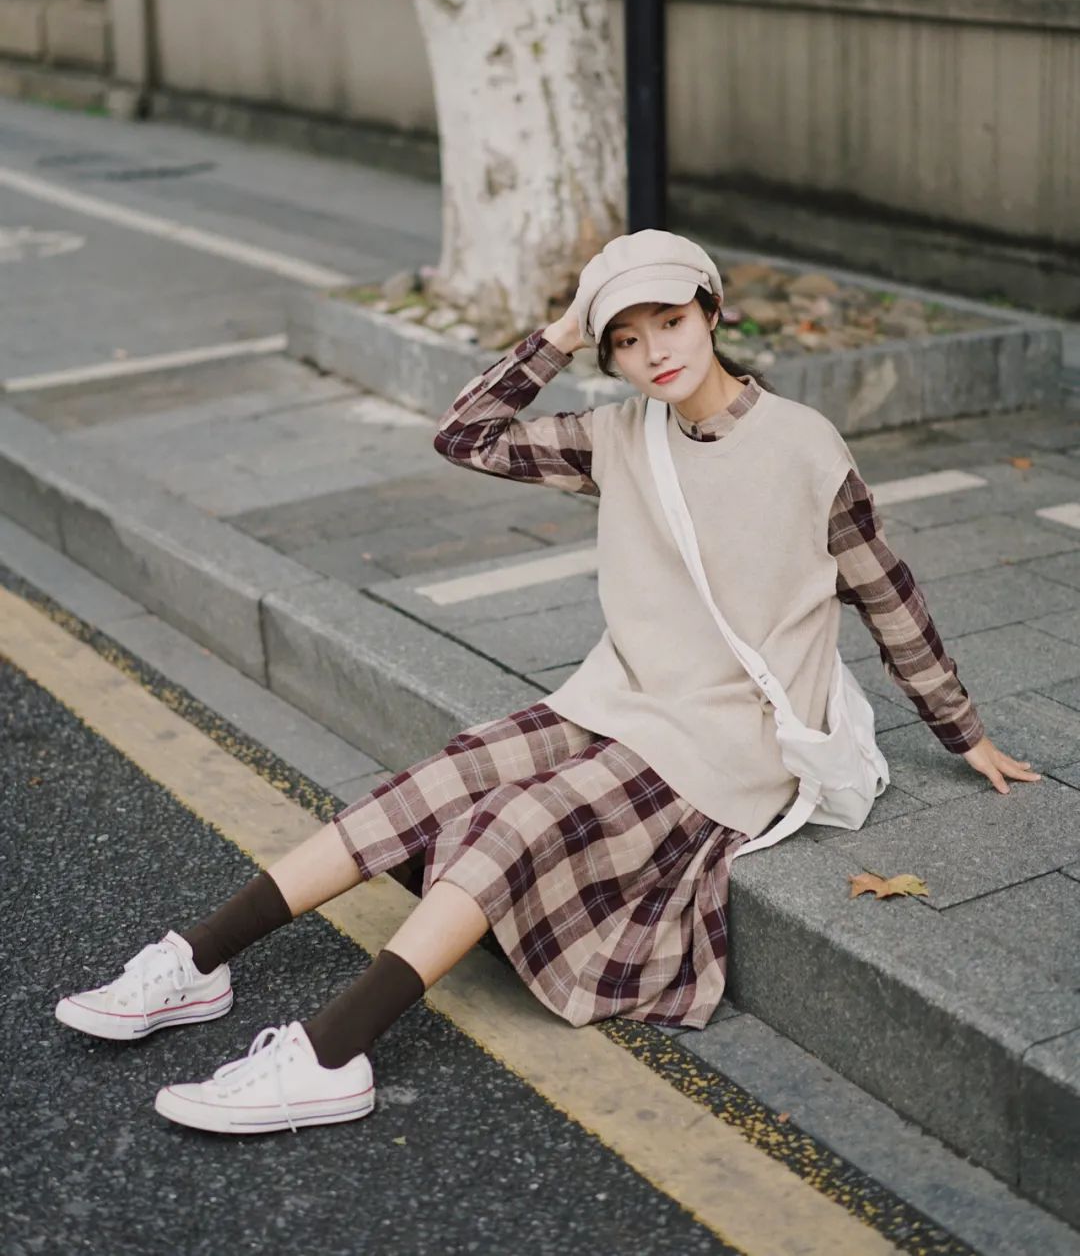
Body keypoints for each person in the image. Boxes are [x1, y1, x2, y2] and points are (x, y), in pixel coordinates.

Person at [54, 230, 1040, 1137]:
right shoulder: (619, 436)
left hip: (726, 743)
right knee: (437, 781)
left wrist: (962, 730)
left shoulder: (805, 444)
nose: (654, 351)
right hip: (615, 699)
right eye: (626, 339)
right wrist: (565, 328)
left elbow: (888, 594)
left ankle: (329, 1054)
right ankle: (197, 961)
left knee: (512, 822)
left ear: (712, 311)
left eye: (671, 319)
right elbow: (466, 434)